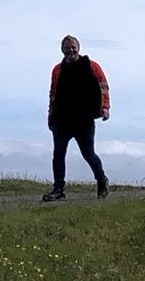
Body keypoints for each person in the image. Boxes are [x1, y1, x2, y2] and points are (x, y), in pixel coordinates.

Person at [42, 34, 110, 202]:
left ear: (78, 48)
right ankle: (58, 189)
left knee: (88, 154)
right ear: (62, 50)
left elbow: (104, 87)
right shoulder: (57, 70)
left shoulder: (92, 66)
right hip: (61, 119)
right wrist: (50, 115)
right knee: (58, 154)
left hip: (84, 119)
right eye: (67, 48)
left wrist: (105, 108)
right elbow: (53, 94)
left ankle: (102, 180)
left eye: (73, 47)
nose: (70, 50)